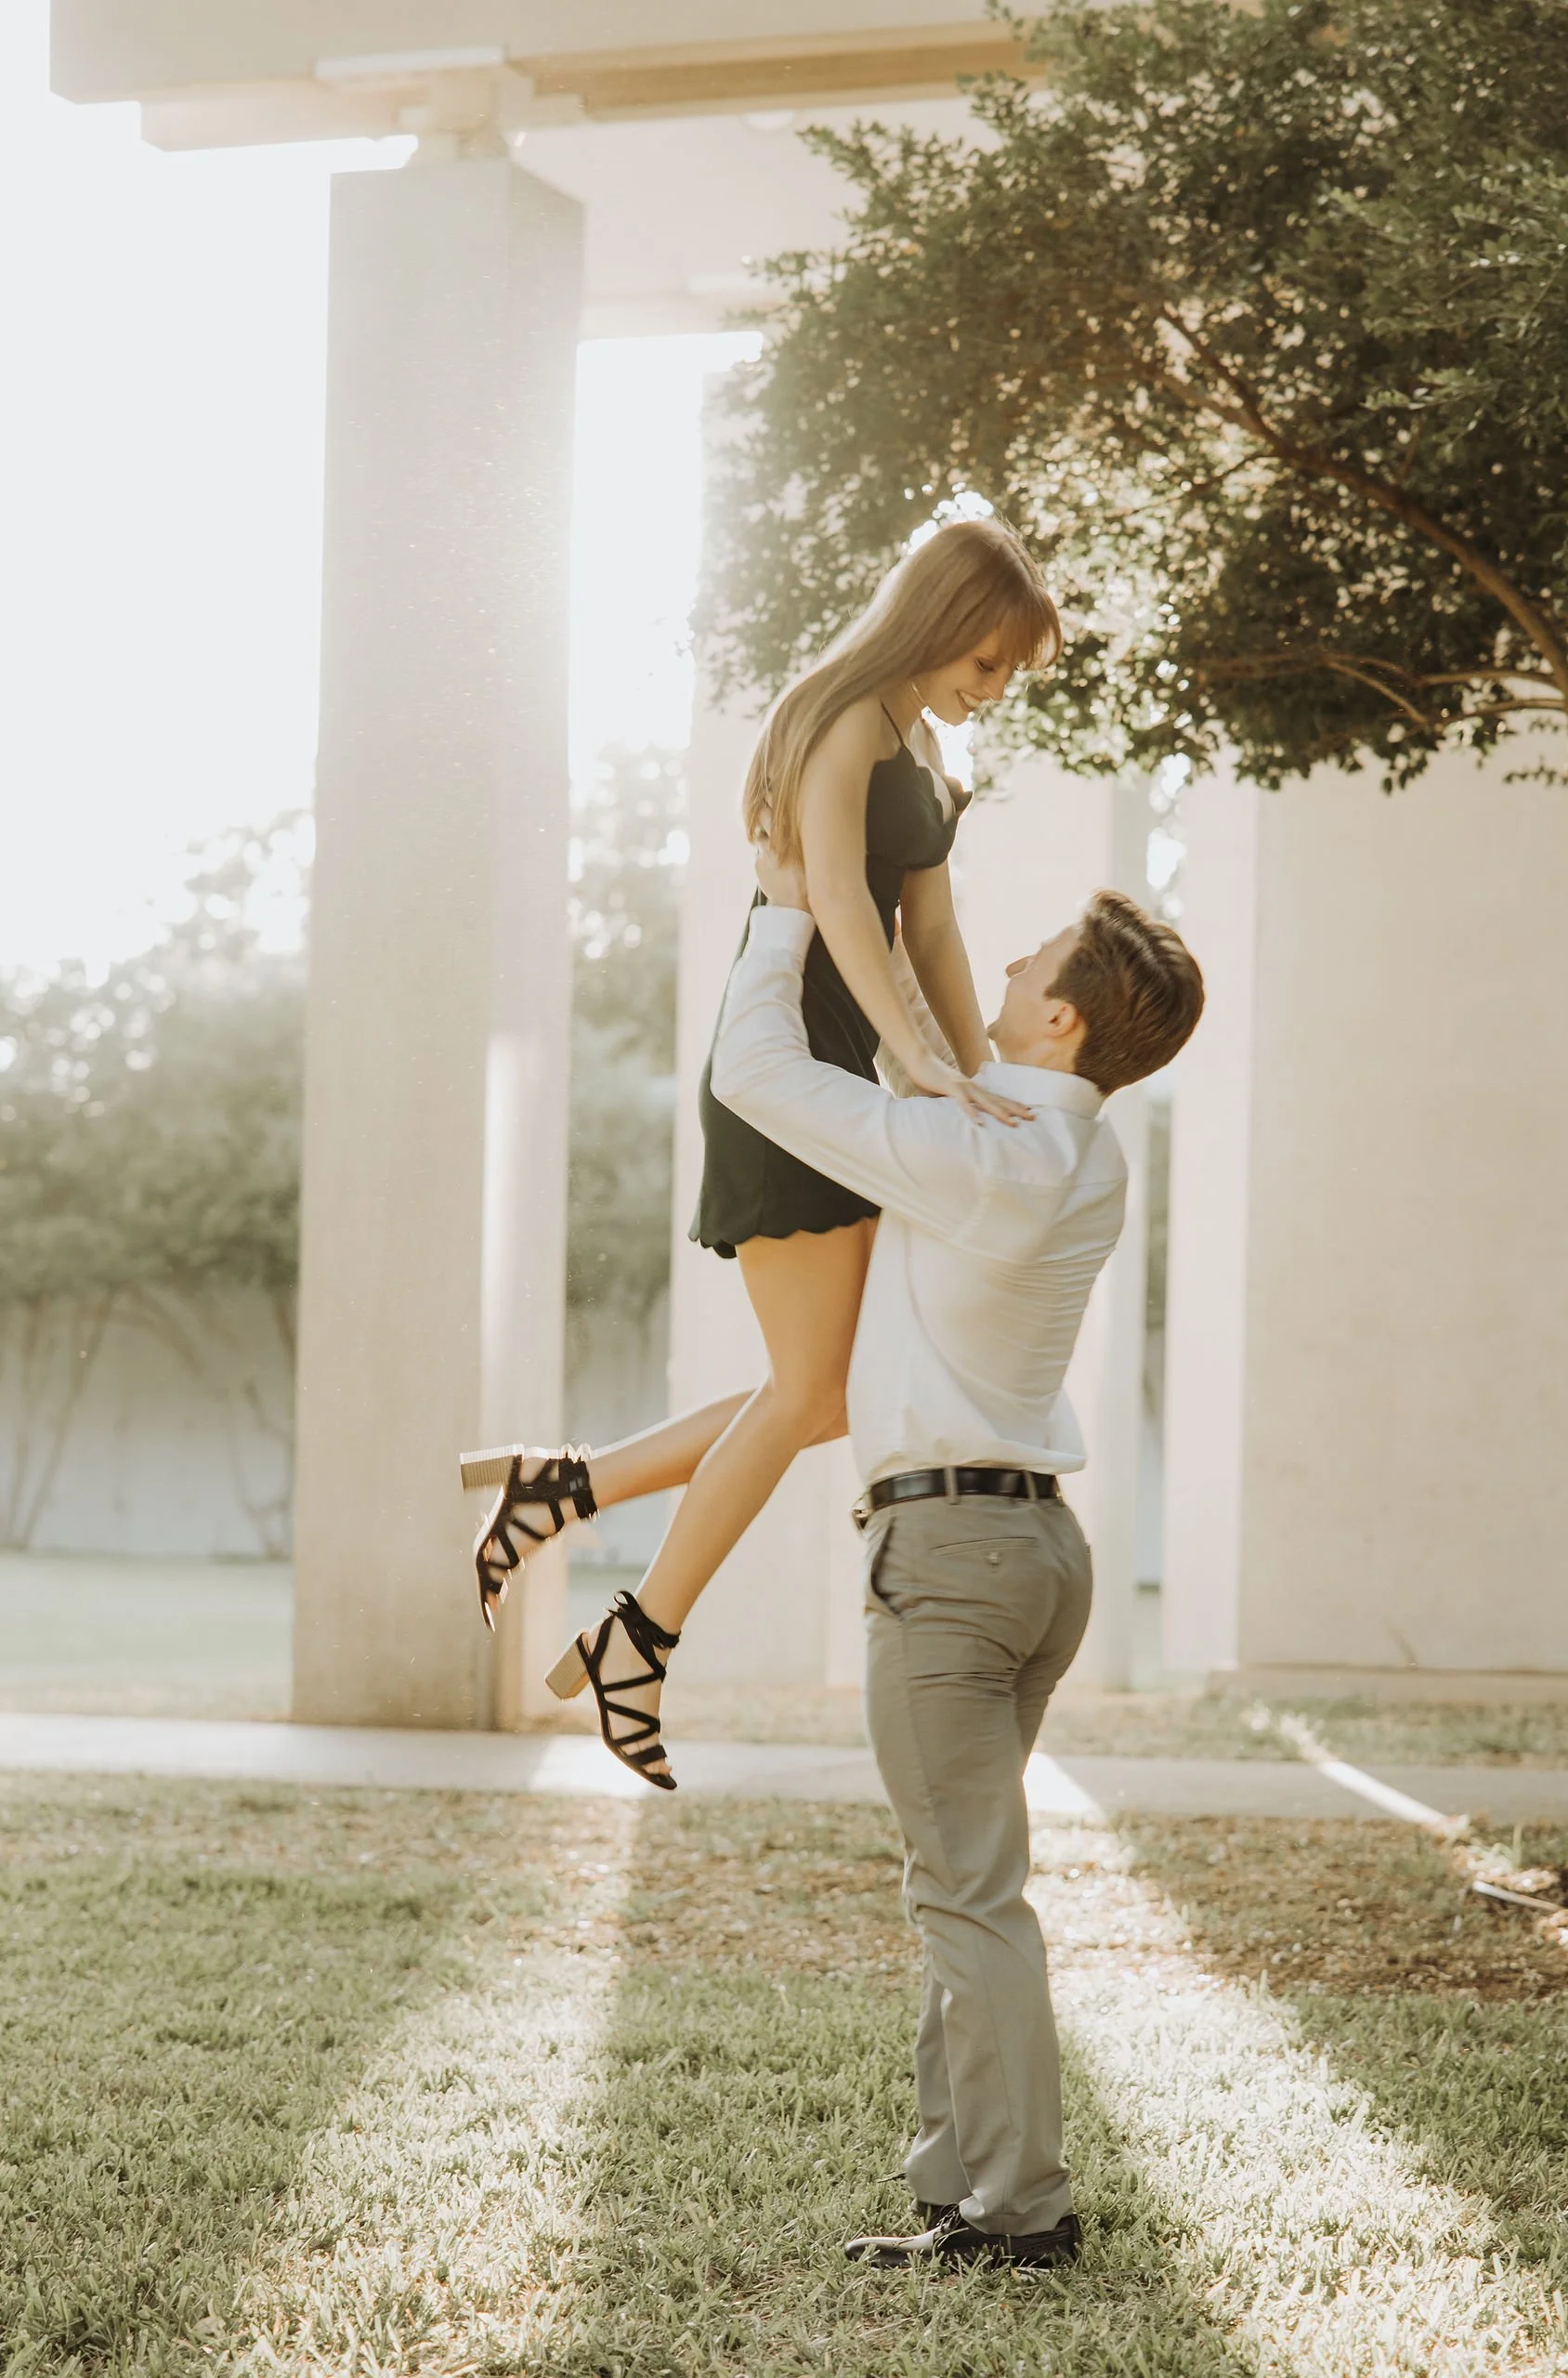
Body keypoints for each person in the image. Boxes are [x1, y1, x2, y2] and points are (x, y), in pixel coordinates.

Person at [458, 519, 1061, 1786]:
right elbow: (839, 901)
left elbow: (936, 930)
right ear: (941, 617)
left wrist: (978, 1072)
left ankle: (564, 1497)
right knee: (813, 1392)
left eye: (1008, 672)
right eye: (990, 661)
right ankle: (635, 1627)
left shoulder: (924, 745)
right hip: (790, 1063)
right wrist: (917, 1063)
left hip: (851, 1070)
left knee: (825, 1391)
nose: (992, 688)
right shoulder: (838, 718)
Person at [708, 843, 1204, 2270]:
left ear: (1062, 1021)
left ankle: (1018, 2214)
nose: (995, 966)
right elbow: (932, 1063)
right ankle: (956, 2180)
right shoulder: (1071, 1147)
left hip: (952, 1559)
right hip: (1036, 1552)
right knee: (959, 1874)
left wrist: (787, 907)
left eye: (1027, 959)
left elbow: (757, 1074)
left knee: (967, 1890)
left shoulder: (984, 1157)